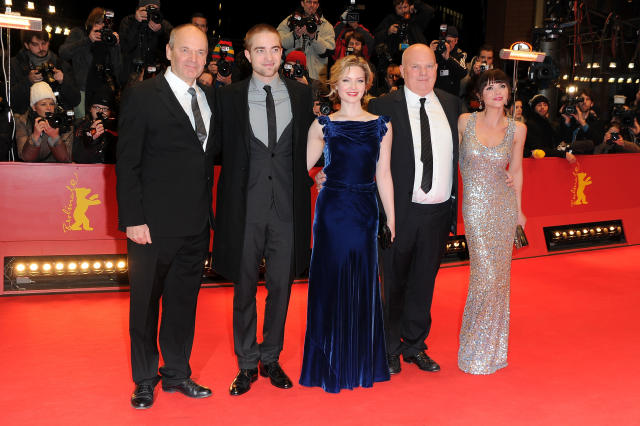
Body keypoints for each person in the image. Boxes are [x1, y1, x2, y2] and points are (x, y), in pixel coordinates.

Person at [212, 24, 315, 396]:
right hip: (245, 209)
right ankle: (245, 363)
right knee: (243, 289)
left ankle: (270, 357)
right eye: (260, 50)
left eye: (274, 49)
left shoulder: (303, 96)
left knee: (280, 287)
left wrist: (320, 174)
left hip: (288, 208)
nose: (269, 57)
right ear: (247, 55)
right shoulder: (229, 97)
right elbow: (211, 149)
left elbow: (315, 143)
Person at [116, 24, 215, 409]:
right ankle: (144, 379)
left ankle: (176, 374)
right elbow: (128, 163)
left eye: (201, 52)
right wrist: (133, 218)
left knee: (182, 304)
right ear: (170, 51)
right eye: (186, 50)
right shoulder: (143, 95)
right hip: (151, 227)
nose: (194, 59)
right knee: (144, 305)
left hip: (195, 225)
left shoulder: (207, 97)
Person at [301, 55, 394, 393]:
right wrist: (316, 176)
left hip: (365, 209)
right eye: (346, 81)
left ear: (367, 84)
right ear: (335, 85)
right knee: (332, 278)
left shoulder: (382, 124)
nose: (353, 87)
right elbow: (300, 166)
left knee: (362, 278)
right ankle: (329, 360)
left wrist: (391, 218)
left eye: (359, 80)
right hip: (333, 211)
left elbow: (383, 174)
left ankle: (359, 360)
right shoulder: (323, 125)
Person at [368, 44, 461, 375]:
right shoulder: (382, 105)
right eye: (416, 67)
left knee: (424, 281)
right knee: (392, 282)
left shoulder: (453, 105)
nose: (424, 73)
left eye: (429, 67)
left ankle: (415, 345)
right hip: (398, 211)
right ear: (402, 71)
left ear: (437, 69)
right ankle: (389, 347)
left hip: (437, 212)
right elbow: (367, 156)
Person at [456, 69, 526, 374]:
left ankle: (491, 350)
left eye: (502, 86)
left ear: (508, 92)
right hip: (474, 207)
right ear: (479, 95)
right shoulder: (465, 122)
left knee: (498, 280)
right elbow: (456, 161)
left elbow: (518, 171)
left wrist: (519, 212)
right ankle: (474, 346)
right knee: (484, 276)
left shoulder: (518, 129)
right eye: (489, 87)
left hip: (504, 206)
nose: (497, 91)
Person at [59, 7, 122, 118]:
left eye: (105, 24)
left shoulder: (108, 38)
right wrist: (88, 40)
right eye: (98, 23)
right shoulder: (79, 33)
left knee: (100, 124)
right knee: (82, 121)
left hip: (101, 90)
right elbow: (63, 53)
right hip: (82, 89)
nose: (101, 26)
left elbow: (118, 69)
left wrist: (115, 46)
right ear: (91, 22)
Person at [10, 30, 81, 115]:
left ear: (48, 43)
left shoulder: (61, 65)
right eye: (35, 44)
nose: (41, 48)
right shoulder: (14, 65)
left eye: (43, 43)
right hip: (27, 122)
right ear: (26, 45)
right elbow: (10, 100)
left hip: (57, 120)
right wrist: (28, 81)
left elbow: (76, 100)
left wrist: (64, 81)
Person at [277, 0, 335, 81]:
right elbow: (278, 43)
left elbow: (327, 51)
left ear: (318, 5)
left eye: (315, 3)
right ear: (302, 3)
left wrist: (313, 37)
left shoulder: (326, 26)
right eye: (308, 2)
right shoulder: (290, 21)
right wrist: (294, 35)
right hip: (290, 74)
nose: (312, 5)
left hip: (315, 77)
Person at [15, 81, 73, 162]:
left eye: (52, 104)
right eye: (43, 104)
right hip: (30, 171)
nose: (49, 108)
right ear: (34, 107)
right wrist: (35, 136)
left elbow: (66, 159)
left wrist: (55, 137)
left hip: (56, 170)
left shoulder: (64, 122)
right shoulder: (23, 121)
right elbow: (25, 158)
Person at [119, 0, 172, 84]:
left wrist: (160, 32)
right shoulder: (128, 21)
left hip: (154, 75)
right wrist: (136, 23)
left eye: (155, 9)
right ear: (140, 9)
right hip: (130, 73)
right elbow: (125, 48)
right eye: (149, 8)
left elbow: (170, 52)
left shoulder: (163, 25)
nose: (151, 12)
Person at [525, 94, 576, 163]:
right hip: (535, 163)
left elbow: (560, 140)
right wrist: (563, 154)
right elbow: (539, 148)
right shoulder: (530, 124)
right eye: (539, 105)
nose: (542, 107)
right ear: (534, 107)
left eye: (545, 105)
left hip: (547, 161)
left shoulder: (547, 123)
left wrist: (566, 121)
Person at [72, 88, 118, 163]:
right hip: (89, 170)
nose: (100, 111)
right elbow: (78, 158)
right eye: (96, 107)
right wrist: (90, 136)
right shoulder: (81, 127)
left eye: (105, 109)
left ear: (110, 112)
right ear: (90, 109)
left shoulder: (115, 129)